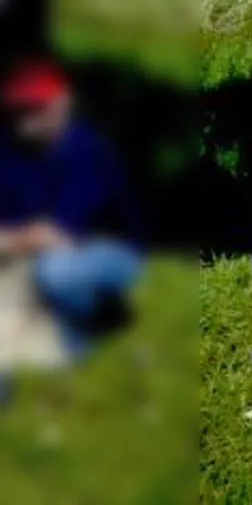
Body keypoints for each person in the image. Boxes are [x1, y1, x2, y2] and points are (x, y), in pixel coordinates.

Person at [0, 56, 144, 368]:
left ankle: (85, 329)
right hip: (31, 251)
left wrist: (13, 240)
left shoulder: (87, 152)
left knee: (55, 271)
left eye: (35, 107)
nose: (24, 119)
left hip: (105, 250)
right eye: (17, 109)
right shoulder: (10, 151)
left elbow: (55, 235)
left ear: (61, 104)